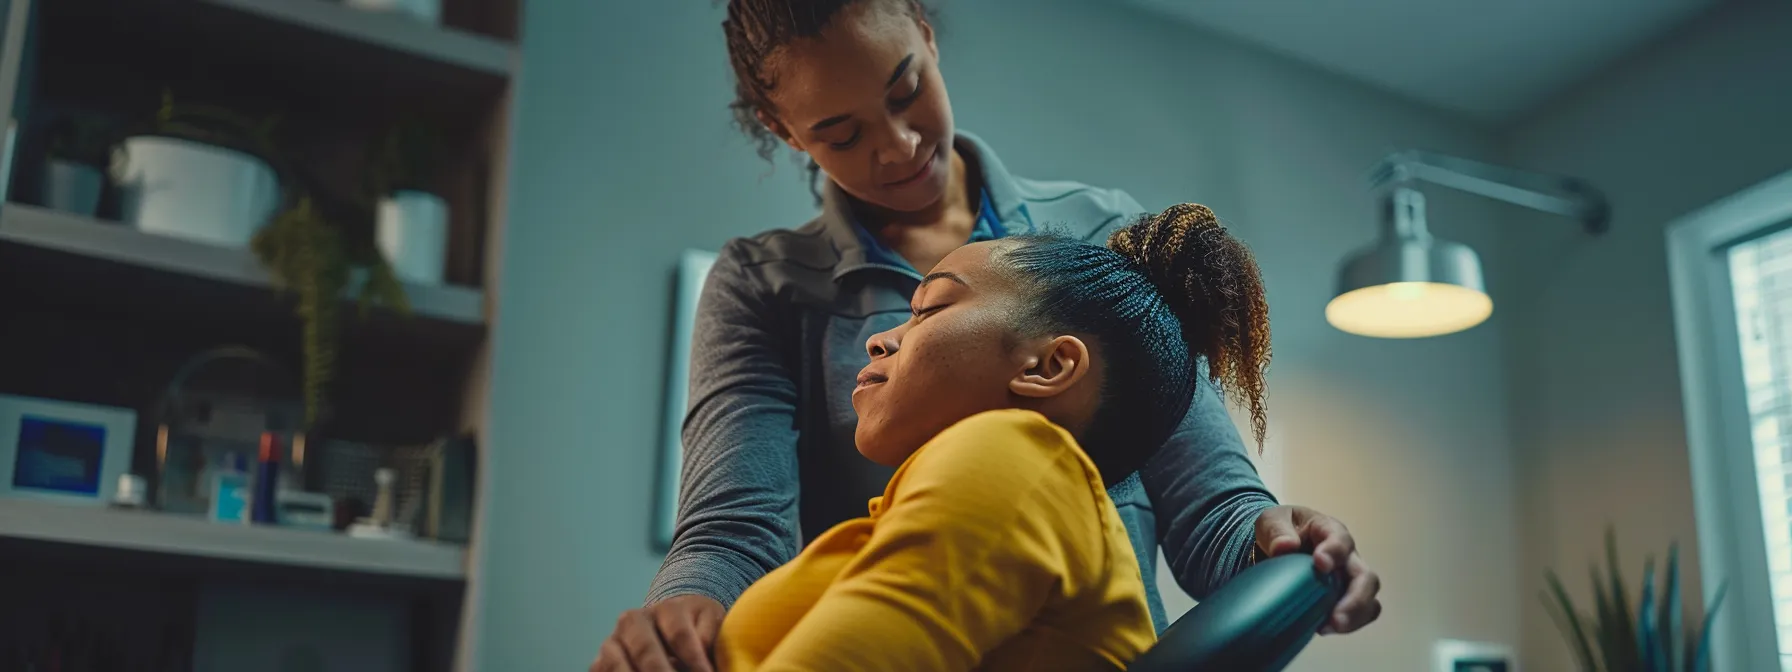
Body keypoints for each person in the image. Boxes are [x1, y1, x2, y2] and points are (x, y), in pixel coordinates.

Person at [592, 1, 1382, 670]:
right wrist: (680, 618)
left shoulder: (1096, 238)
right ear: (784, 129)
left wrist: (1280, 545)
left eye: (908, 89)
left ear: (927, 37)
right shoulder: (762, 285)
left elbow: (1213, 506)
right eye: (840, 132)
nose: (898, 145)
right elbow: (734, 527)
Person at [712, 203, 1267, 670]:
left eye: (927, 310)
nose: (879, 339)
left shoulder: (1016, 458)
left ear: (1049, 366)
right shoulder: (981, 499)